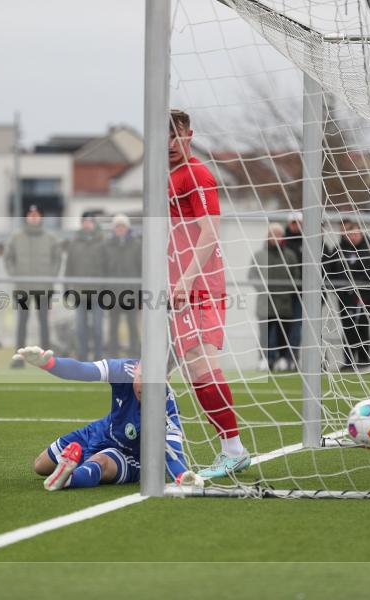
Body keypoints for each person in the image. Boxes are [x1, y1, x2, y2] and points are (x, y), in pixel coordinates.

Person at [168, 109, 250, 479]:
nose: (170, 144)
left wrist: (186, 279)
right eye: (164, 137)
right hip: (173, 287)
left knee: (201, 364)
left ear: (189, 135)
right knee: (162, 370)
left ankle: (233, 449)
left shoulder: (197, 174)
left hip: (197, 286)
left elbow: (209, 232)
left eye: (177, 135)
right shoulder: (168, 177)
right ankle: (145, 448)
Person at [15, 346, 200, 491]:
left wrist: (183, 476)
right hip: (101, 432)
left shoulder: (167, 407)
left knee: (101, 462)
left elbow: (173, 451)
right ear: (136, 368)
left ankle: (68, 478)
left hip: (131, 457)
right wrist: (48, 363)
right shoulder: (122, 370)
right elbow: (82, 370)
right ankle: (74, 466)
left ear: (166, 379)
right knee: (40, 466)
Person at [3, 204, 61, 365]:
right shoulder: (16, 237)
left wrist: (51, 276)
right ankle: (19, 359)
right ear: (26, 217)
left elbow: (58, 258)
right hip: (23, 287)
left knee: (44, 323)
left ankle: (47, 360)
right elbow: (8, 257)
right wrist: (15, 275)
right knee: (22, 323)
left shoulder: (51, 238)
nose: (33, 217)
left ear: (41, 216)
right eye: (30, 214)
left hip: (44, 287)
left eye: (36, 214)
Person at [324, 219, 370, 370]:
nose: (353, 237)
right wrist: (340, 286)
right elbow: (331, 271)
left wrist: (358, 284)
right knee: (348, 326)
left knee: (362, 324)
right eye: (349, 234)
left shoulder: (368, 249)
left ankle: (364, 360)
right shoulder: (338, 250)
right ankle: (349, 360)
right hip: (345, 296)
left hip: (364, 295)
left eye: (356, 233)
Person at [251, 223, 300, 371]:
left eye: (278, 235)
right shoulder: (259, 255)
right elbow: (252, 276)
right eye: (272, 234)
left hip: (284, 304)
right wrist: (263, 289)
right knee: (265, 334)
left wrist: (286, 291)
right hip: (265, 304)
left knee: (283, 334)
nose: (275, 238)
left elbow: (296, 277)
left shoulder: (290, 255)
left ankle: (283, 359)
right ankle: (265, 359)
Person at [65, 212, 105, 361]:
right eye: (85, 222)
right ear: (82, 224)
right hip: (80, 293)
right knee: (81, 328)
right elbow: (69, 268)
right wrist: (66, 289)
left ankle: (98, 356)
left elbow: (106, 267)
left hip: (98, 293)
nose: (87, 224)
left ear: (94, 224)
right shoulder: (74, 243)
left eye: (90, 221)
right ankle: (82, 356)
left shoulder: (102, 242)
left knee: (97, 328)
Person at [103, 213, 141, 357]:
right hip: (112, 293)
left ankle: (135, 355)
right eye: (117, 226)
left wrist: (140, 294)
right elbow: (103, 269)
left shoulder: (136, 245)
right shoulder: (107, 245)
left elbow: (141, 269)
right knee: (113, 328)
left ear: (127, 228)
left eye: (123, 226)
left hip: (131, 293)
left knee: (133, 326)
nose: (120, 229)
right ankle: (113, 355)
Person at [283, 212, 304, 362]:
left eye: (299, 223)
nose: (296, 226)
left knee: (304, 327)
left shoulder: (310, 241)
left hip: (306, 293)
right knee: (285, 327)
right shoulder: (283, 242)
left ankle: (293, 357)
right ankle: (284, 359)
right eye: (293, 223)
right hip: (287, 294)